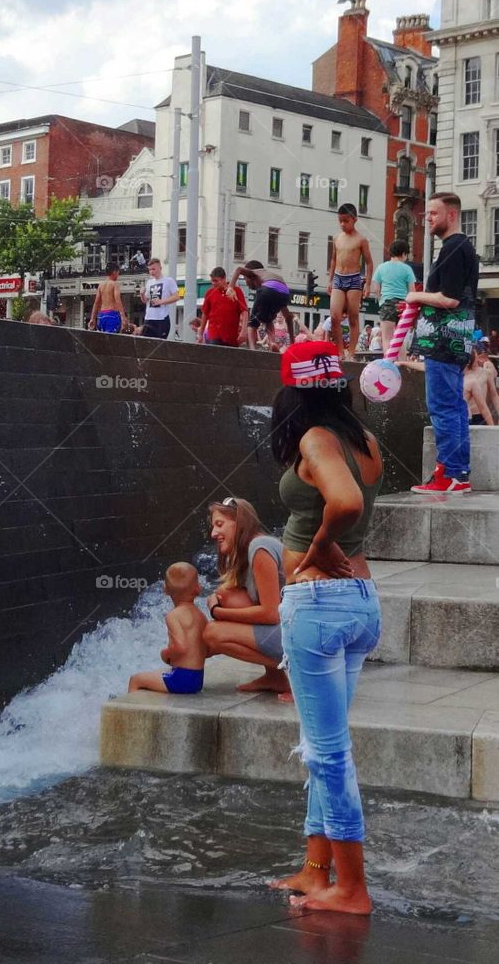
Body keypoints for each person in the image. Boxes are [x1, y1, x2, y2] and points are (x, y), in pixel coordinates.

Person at [270, 339, 383, 915]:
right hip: (360, 601)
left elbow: (344, 503)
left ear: (291, 391)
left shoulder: (315, 439)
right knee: (322, 747)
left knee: (328, 754)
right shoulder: (361, 440)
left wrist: (316, 548)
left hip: (319, 603)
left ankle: (352, 890)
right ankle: (317, 871)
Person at [409, 193, 479, 493]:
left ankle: (449, 473)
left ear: (451, 215)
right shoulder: (464, 248)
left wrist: (415, 297)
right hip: (457, 339)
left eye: (433, 213)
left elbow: (448, 298)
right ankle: (458, 473)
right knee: (456, 407)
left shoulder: (452, 247)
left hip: (442, 341)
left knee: (442, 407)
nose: (428, 218)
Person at [201, 497, 290, 700]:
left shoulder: (260, 548)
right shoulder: (251, 550)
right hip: (289, 629)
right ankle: (275, 677)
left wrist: (218, 612)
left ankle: (298, 673)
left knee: (212, 633)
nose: (213, 533)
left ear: (239, 522)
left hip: (300, 637)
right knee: (226, 595)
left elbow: (270, 613)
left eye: (220, 524)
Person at [128, 562, 208, 694]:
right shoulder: (200, 615)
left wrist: (165, 654)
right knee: (161, 673)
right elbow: (207, 646)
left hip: (181, 681)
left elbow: (180, 647)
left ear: (165, 589)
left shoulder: (173, 616)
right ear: (197, 589)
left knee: (136, 680)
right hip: (197, 679)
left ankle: (129, 711)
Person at [327, 204, 373, 360]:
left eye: (346, 221)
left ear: (355, 220)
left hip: (354, 279)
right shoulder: (336, 238)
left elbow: (369, 262)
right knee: (334, 316)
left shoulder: (361, 240)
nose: (342, 224)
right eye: (340, 221)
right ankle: (340, 351)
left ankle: (351, 352)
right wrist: (330, 280)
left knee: (353, 316)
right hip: (339, 278)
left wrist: (367, 284)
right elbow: (333, 259)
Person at [227, 261, 294, 351]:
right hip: (285, 293)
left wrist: (231, 288)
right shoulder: (270, 275)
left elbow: (239, 269)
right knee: (268, 319)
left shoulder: (255, 272)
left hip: (268, 288)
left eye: (245, 279)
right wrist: (293, 343)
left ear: (249, 276)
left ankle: (252, 349)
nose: (247, 284)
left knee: (252, 322)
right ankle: (272, 342)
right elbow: (289, 317)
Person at [372, 240, 416, 355]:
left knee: (387, 338)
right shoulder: (407, 269)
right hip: (403, 306)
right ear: (404, 254)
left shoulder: (381, 267)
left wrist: (380, 298)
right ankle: (403, 366)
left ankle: (389, 365)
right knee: (400, 339)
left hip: (387, 303)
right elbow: (412, 291)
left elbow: (376, 288)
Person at [197, 266, 247, 346]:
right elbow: (205, 314)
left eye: (216, 281)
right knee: (214, 355)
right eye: (212, 281)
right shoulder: (209, 293)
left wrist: (244, 331)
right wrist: (200, 334)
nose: (213, 283)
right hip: (214, 334)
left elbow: (244, 311)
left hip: (231, 336)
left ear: (224, 279)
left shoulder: (236, 291)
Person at [138, 258, 180, 340]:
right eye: (150, 270)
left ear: (160, 268)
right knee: (145, 343)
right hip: (149, 318)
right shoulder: (149, 282)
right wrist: (142, 294)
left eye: (153, 269)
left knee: (159, 344)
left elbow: (176, 296)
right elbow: (145, 301)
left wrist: (161, 301)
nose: (151, 272)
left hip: (161, 318)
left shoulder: (168, 281)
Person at [88, 266, 127, 333]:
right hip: (112, 315)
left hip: (102, 315)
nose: (118, 275)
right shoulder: (114, 284)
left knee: (103, 339)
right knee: (111, 339)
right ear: (114, 272)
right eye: (118, 273)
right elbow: (118, 300)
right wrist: (123, 317)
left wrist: (92, 318)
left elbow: (96, 303)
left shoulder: (101, 285)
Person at [464, 349, 497, 426]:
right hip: (465, 416)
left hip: (480, 415)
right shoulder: (459, 374)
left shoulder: (486, 372)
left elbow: (494, 396)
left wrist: (492, 429)